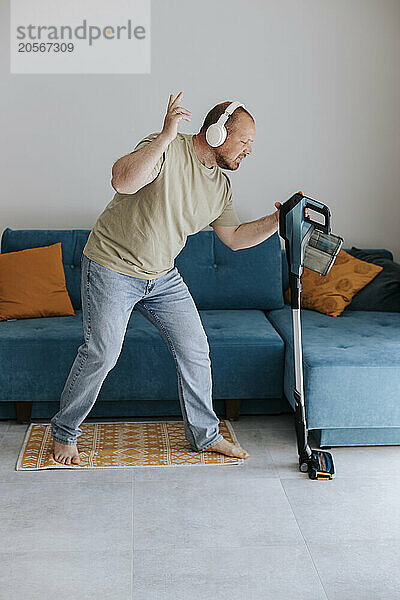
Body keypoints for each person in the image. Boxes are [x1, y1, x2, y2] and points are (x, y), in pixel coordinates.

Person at [50, 91, 289, 466]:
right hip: (113, 265)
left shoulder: (221, 187)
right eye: (244, 141)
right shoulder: (167, 148)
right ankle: (64, 432)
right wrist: (164, 135)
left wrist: (279, 219)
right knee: (102, 352)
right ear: (216, 132)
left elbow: (235, 239)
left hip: (161, 277)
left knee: (196, 349)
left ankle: (206, 436)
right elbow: (121, 181)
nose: (249, 151)